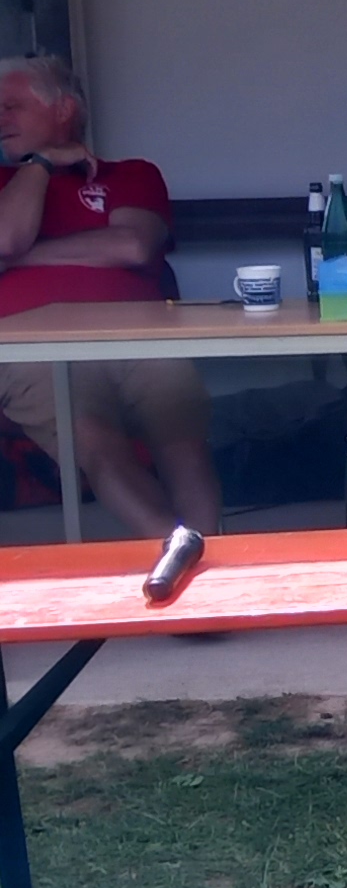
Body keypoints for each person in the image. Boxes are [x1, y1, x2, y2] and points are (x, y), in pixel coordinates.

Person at [0, 55, 222, 542]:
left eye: (13, 106)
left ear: (63, 110)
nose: (1, 119)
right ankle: (181, 557)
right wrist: (39, 165)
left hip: (137, 336)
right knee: (97, 446)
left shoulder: (130, 174)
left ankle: (211, 567)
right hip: (34, 350)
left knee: (183, 444)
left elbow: (133, 246)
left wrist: (22, 259)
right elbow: (6, 237)